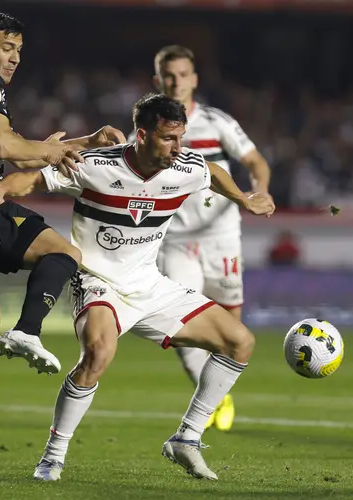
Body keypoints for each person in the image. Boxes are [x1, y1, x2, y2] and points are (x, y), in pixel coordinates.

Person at [0, 93, 275, 481]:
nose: (178, 148)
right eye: (168, 139)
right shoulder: (95, 165)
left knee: (240, 342)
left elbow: (211, 172)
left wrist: (243, 199)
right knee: (98, 353)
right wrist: (0, 190)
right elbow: (34, 178)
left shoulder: (185, 166)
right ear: (141, 135)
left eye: (181, 138)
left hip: (149, 285)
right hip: (98, 282)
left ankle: (187, 438)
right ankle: (52, 457)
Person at [0, 11, 125, 474]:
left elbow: (15, 144)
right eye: (6, 48)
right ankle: (29, 330)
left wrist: (83, 141)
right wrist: (48, 149)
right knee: (64, 253)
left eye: (18, 51)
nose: (13, 59)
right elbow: (3, 146)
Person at [136, 45, 272, 431]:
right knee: (180, 325)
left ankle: (216, 390)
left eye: (183, 74)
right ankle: (214, 396)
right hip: (175, 240)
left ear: (194, 79)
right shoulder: (145, 130)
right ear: (157, 81)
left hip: (221, 236)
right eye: (168, 75)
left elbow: (255, 162)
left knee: (232, 330)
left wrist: (258, 191)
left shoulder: (216, 122)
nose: (176, 81)